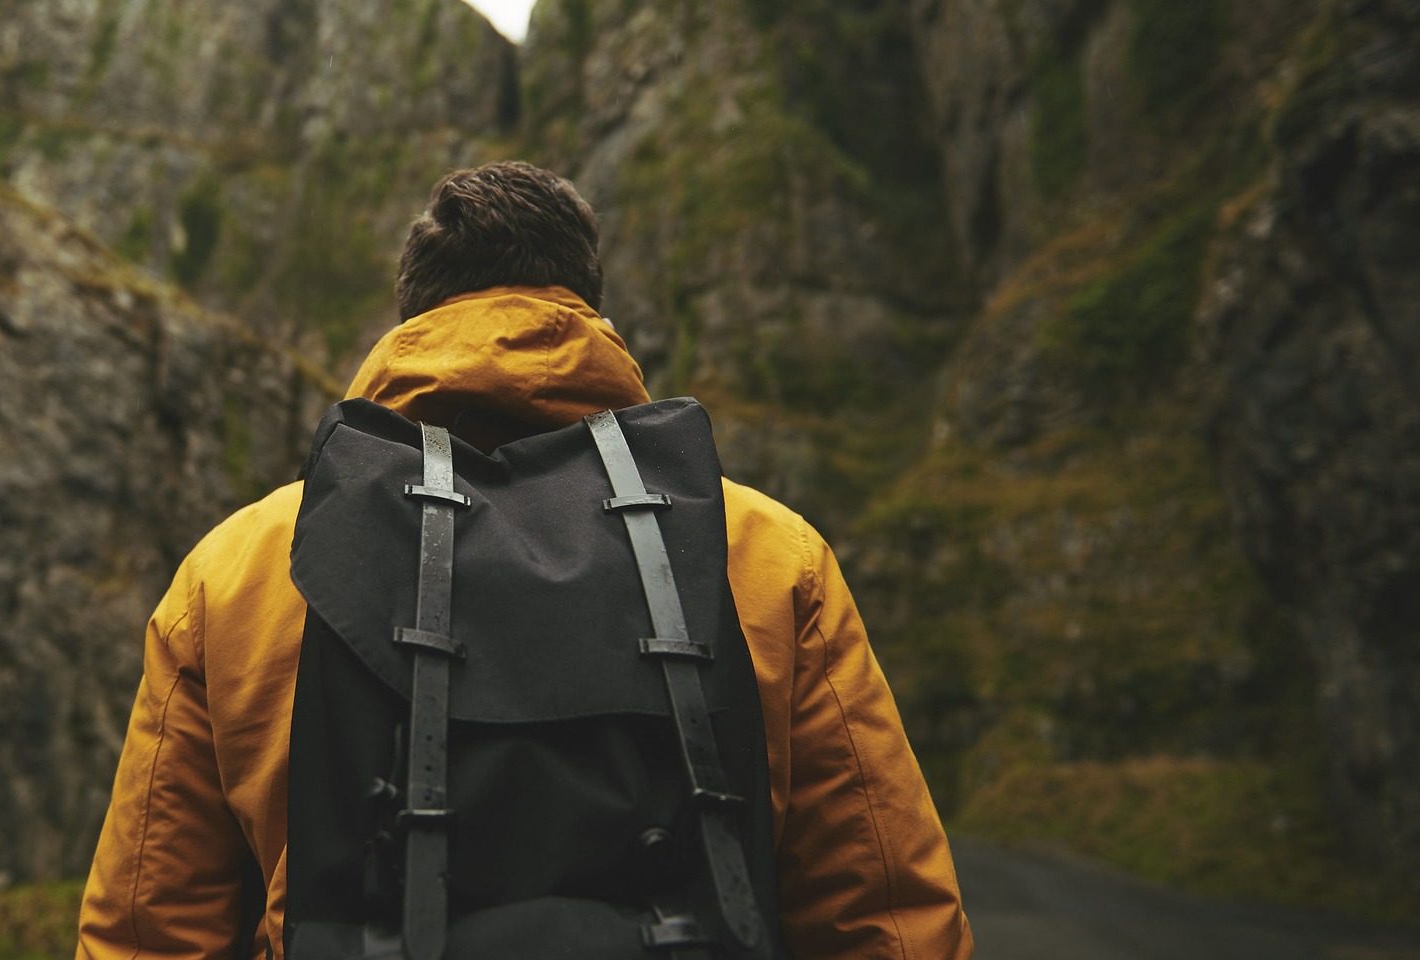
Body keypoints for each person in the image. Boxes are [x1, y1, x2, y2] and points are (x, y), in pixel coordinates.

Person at [76, 161, 973, 959]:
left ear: (412, 317)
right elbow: (890, 920)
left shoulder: (240, 569)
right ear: (587, 309)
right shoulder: (768, 553)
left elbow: (149, 932)